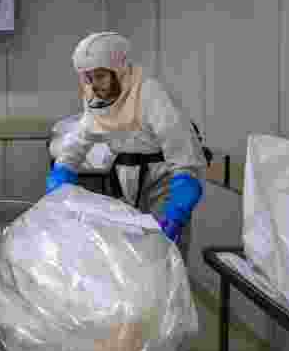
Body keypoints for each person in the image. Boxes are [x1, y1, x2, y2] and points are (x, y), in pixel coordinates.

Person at [46, 32, 208, 246]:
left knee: (165, 254)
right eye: (89, 77)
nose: (94, 85)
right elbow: (81, 136)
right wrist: (62, 169)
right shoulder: (98, 99)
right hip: (126, 181)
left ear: (119, 70)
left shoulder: (150, 94)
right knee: (133, 254)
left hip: (163, 181)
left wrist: (179, 201)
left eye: (100, 76)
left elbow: (181, 148)